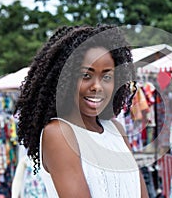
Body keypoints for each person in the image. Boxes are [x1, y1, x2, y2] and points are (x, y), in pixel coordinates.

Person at [14, 24, 148, 197]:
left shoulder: (116, 130)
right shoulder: (59, 133)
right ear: (64, 79)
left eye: (107, 76)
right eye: (86, 75)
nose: (97, 86)